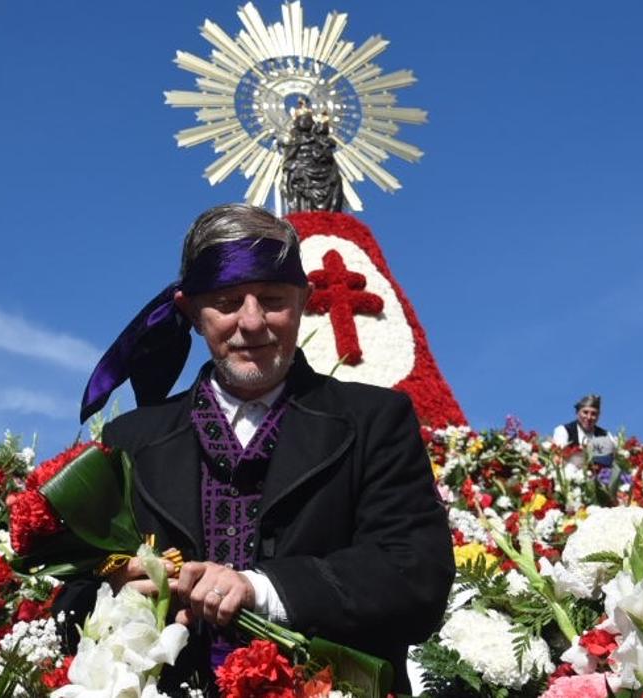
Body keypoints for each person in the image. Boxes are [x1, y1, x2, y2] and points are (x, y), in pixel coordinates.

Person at [77, 203, 454, 693]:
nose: (251, 322)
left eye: (272, 299)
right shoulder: (130, 440)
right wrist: (116, 593)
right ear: (191, 312)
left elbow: (415, 574)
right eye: (228, 302)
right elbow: (73, 594)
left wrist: (262, 589)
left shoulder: (375, 420)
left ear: (304, 300)